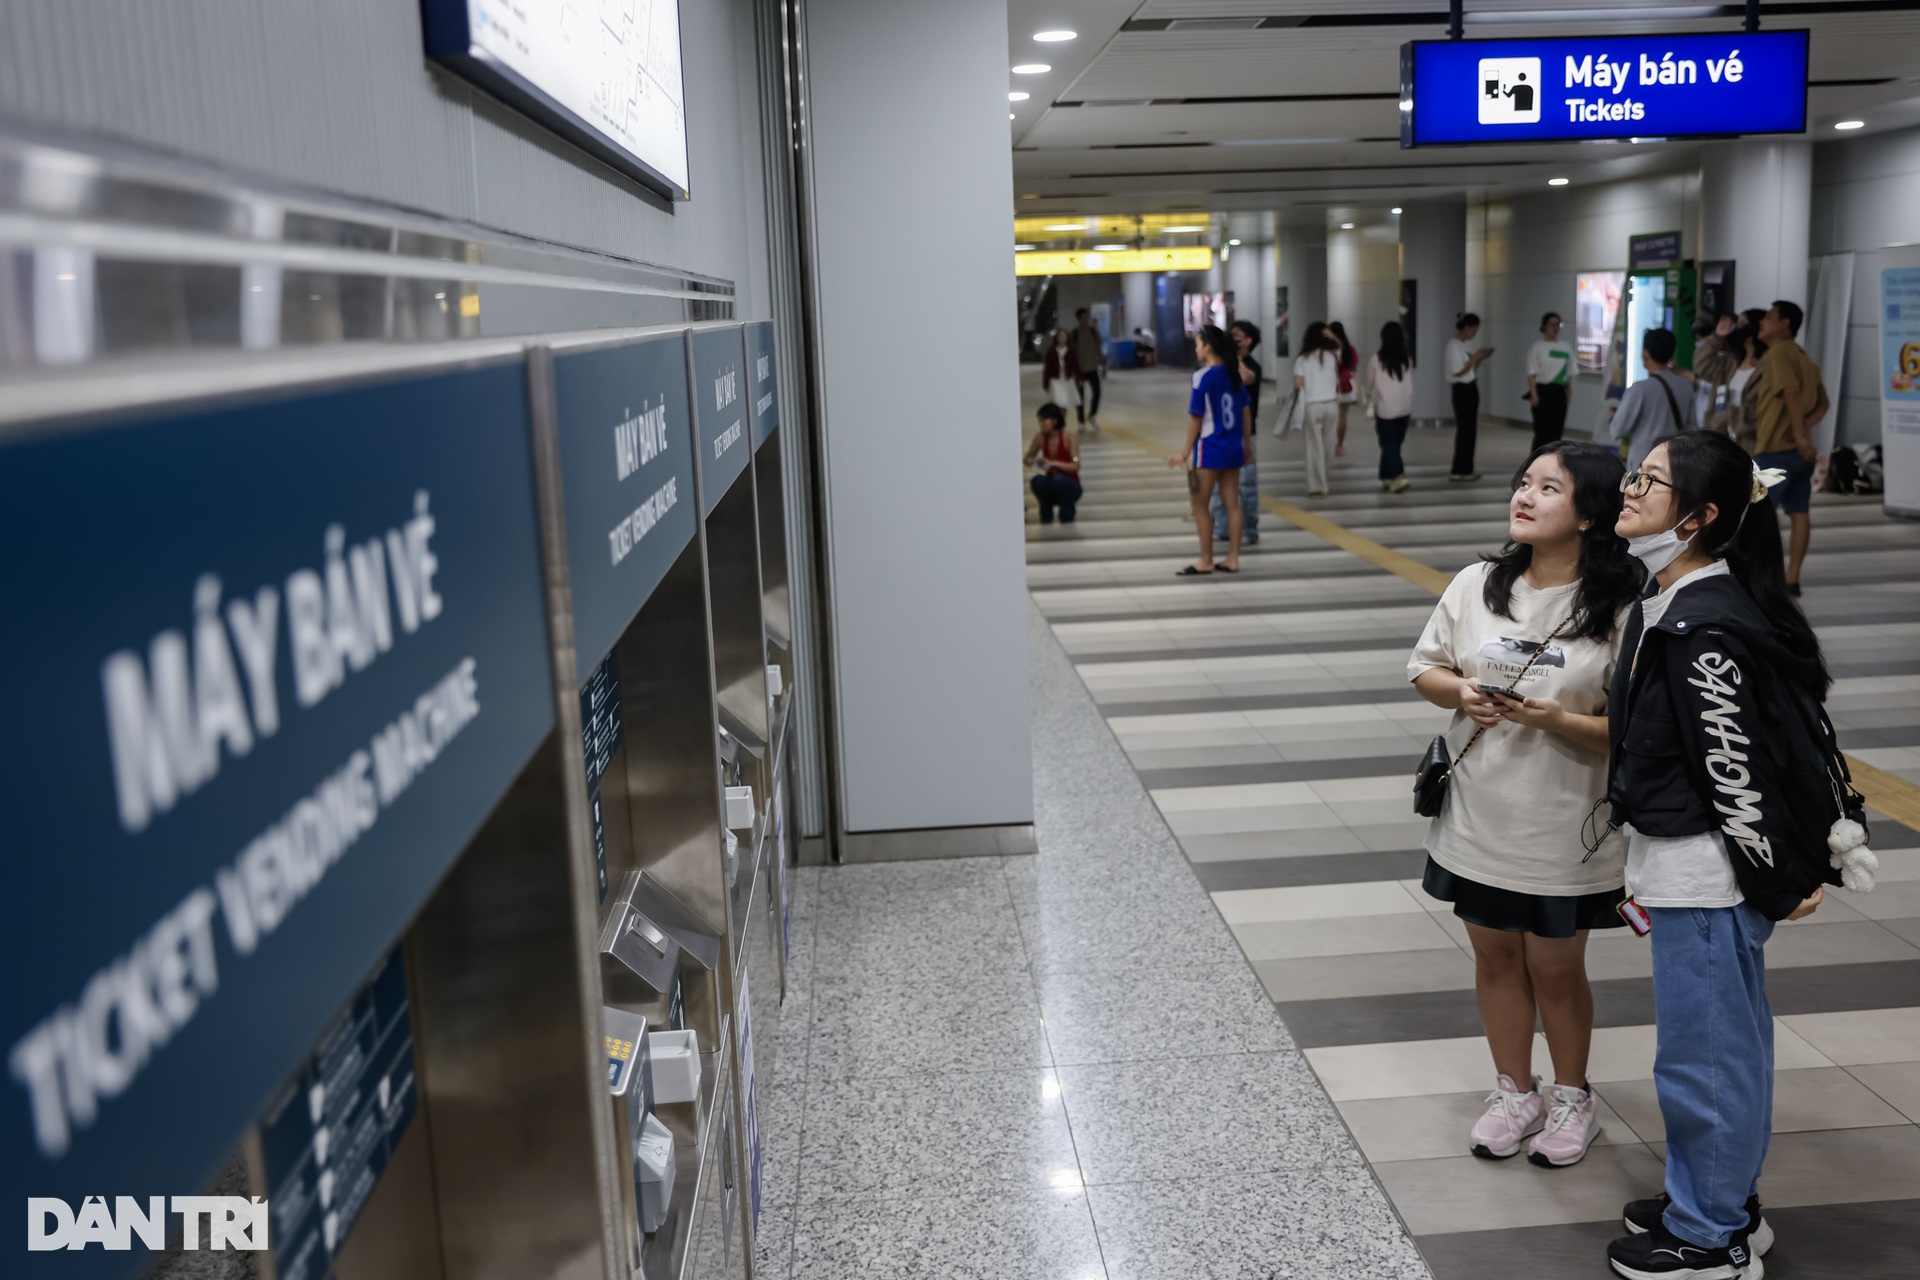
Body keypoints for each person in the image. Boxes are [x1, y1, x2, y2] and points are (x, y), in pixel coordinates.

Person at [1603, 432, 1837, 1279]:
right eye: (1636, 473)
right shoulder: (1680, 598)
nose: (1630, 490)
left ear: (1699, 518)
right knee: (1726, 1047)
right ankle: (1720, 1198)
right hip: (1691, 870)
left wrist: (1778, 882)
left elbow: (1734, 775)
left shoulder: (1703, 624)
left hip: (1706, 877)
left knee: (1705, 1059)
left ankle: (1709, 1238)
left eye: (1652, 482)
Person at [1409, 441, 1640, 1172]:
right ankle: (1517, 1092)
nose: (1527, 495)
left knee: (1555, 967)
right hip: (1479, 814)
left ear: (1592, 513)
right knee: (1495, 956)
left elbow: (1635, 731)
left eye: (1551, 487)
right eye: (1526, 482)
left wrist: (1555, 720)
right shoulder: (1478, 583)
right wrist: (1462, 693)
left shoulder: (1627, 606)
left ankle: (1574, 1098)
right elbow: (1426, 667)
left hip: (1563, 824)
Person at [1749, 299, 1829, 597]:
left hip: (1775, 449)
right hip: (1799, 453)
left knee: (1755, 513)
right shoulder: (1804, 358)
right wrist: (1806, 430)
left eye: (1768, 317)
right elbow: (1824, 403)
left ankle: (1759, 575)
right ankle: (1792, 576)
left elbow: (1790, 392)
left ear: (1784, 324)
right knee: (1799, 512)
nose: (1762, 322)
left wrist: (1798, 433)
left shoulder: (1779, 353)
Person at [1167, 324, 1250, 575]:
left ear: (1208, 346)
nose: (1195, 347)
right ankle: (1233, 558)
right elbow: (1245, 411)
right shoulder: (1234, 373)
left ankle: (1206, 560)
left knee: (1199, 505)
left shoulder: (1202, 376)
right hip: (1233, 447)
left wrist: (1184, 452)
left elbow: (1196, 418)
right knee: (1232, 504)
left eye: (1198, 343)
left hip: (1210, 448)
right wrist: (1247, 444)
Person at [1607, 328, 1695, 470]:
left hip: (1643, 462)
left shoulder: (1639, 390)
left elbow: (1617, 430)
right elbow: (1692, 427)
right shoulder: (1686, 387)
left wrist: (1612, 417)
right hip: (1675, 461)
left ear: (1645, 354)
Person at [1212, 320, 1264, 545]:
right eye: (1230, 335)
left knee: (1247, 486)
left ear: (1249, 341)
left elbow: (1244, 377)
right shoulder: (1223, 365)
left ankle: (1251, 528)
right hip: (1222, 432)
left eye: (1238, 336)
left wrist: (1235, 356)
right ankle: (1223, 527)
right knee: (1219, 485)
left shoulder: (1251, 365)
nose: (1233, 339)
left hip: (1245, 434)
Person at [1293, 321, 1342, 498]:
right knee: (1329, 444)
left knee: (1314, 447)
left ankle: (1318, 487)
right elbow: (1340, 346)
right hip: (1331, 405)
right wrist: (1333, 336)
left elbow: (1297, 385)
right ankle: (1324, 477)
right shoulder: (1332, 355)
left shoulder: (1302, 359)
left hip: (1313, 406)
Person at [1447, 313, 1495, 481]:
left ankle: (1466, 467)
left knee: (1470, 430)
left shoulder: (1463, 345)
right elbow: (1458, 371)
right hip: (1462, 389)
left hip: (1470, 386)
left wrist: (1479, 358)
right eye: (1474, 330)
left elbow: (1469, 369)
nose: (1474, 333)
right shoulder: (1453, 345)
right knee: (1465, 430)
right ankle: (1460, 468)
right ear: (1466, 328)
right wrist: (1475, 358)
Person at [1368, 321, 1414, 493]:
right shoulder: (1407, 359)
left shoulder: (1376, 359)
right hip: (1404, 407)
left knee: (1388, 444)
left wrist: (1371, 397)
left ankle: (1398, 476)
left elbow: (1370, 381)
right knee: (1395, 443)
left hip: (1385, 408)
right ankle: (1386, 475)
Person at [1023, 402, 1082, 524]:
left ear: (1054, 421)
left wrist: (1055, 463)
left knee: (1059, 479)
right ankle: (1046, 512)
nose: (1041, 425)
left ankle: (1067, 512)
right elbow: (1027, 459)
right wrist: (1033, 460)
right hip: (1052, 484)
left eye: (1043, 421)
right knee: (1038, 480)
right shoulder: (1040, 438)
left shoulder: (1069, 438)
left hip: (1068, 485)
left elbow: (1076, 463)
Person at [1526, 312, 1577, 449]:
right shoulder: (1537, 347)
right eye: (1552, 324)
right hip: (1542, 390)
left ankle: (1552, 463)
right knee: (1542, 431)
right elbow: (1532, 372)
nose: (1555, 327)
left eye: (1558, 324)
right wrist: (1534, 393)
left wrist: (1569, 392)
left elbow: (1570, 372)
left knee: (1557, 430)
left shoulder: (1565, 347)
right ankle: (1536, 462)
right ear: (1544, 326)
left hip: (1559, 391)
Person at [1071, 307, 1107, 432]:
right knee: (1080, 397)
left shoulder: (1093, 331)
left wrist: (1103, 365)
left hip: (1092, 368)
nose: (1085, 320)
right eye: (1083, 318)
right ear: (1078, 319)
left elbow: (1098, 348)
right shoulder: (1074, 334)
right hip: (1079, 370)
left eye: (1087, 317)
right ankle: (1081, 421)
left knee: (1097, 391)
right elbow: (1071, 353)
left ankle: (1092, 414)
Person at [1331, 320, 1359, 458]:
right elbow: (1353, 368)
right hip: (1346, 386)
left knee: (1328, 416)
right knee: (1342, 416)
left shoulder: (1327, 350)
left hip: (1329, 385)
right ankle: (1339, 445)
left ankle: (1327, 443)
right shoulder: (1350, 349)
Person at [1042, 329, 1081, 421]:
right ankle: (1058, 421)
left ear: (1067, 338)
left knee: (1065, 402)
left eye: (1064, 337)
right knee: (1057, 402)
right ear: (1056, 338)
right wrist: (1046, 383)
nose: (1061, 339)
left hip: (1067, 380)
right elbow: (1047, 368)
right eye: (1060, 336)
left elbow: (1076, 365)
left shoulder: (1071, 350)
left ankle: (1061, 421)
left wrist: (1079, 378)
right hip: (1055, 380)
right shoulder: (1051, 351)